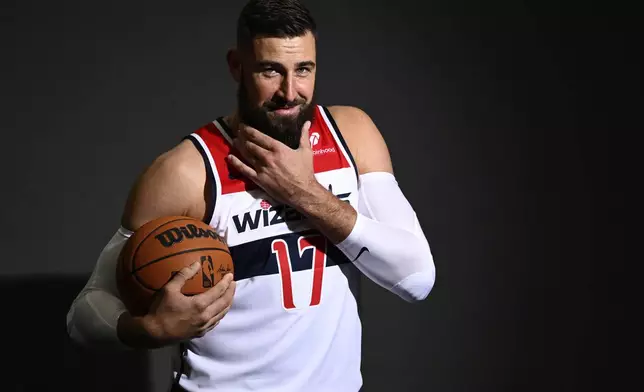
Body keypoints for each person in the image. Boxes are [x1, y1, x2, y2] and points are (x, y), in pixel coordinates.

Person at [66, 0, 436, 391]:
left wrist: (305, 193)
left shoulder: (350, 135)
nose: (289, 92)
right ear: (236, 66)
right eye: (270, 70)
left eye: (303, 70)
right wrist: (150, 329)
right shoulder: (187, 172)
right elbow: (84, 315)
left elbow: (416, 277)